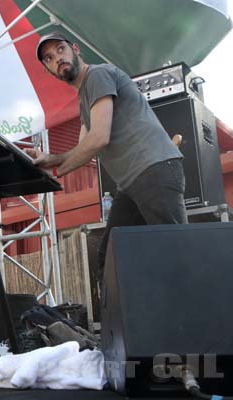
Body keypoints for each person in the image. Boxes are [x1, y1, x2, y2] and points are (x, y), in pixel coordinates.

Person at [26, 32, 188, 280]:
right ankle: (130, 318)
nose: (57, 58)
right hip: (132, 185)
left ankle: (209, 317)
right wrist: (51, 158)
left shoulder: (97, 75)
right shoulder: (84, 100)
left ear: (76, 49)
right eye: (49, 58)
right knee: (111, 260)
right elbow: (84, 148)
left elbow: (98, 138)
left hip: (153, 170)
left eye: (60, 50)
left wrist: (56, 171)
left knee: (179, 257)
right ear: (48, 70)